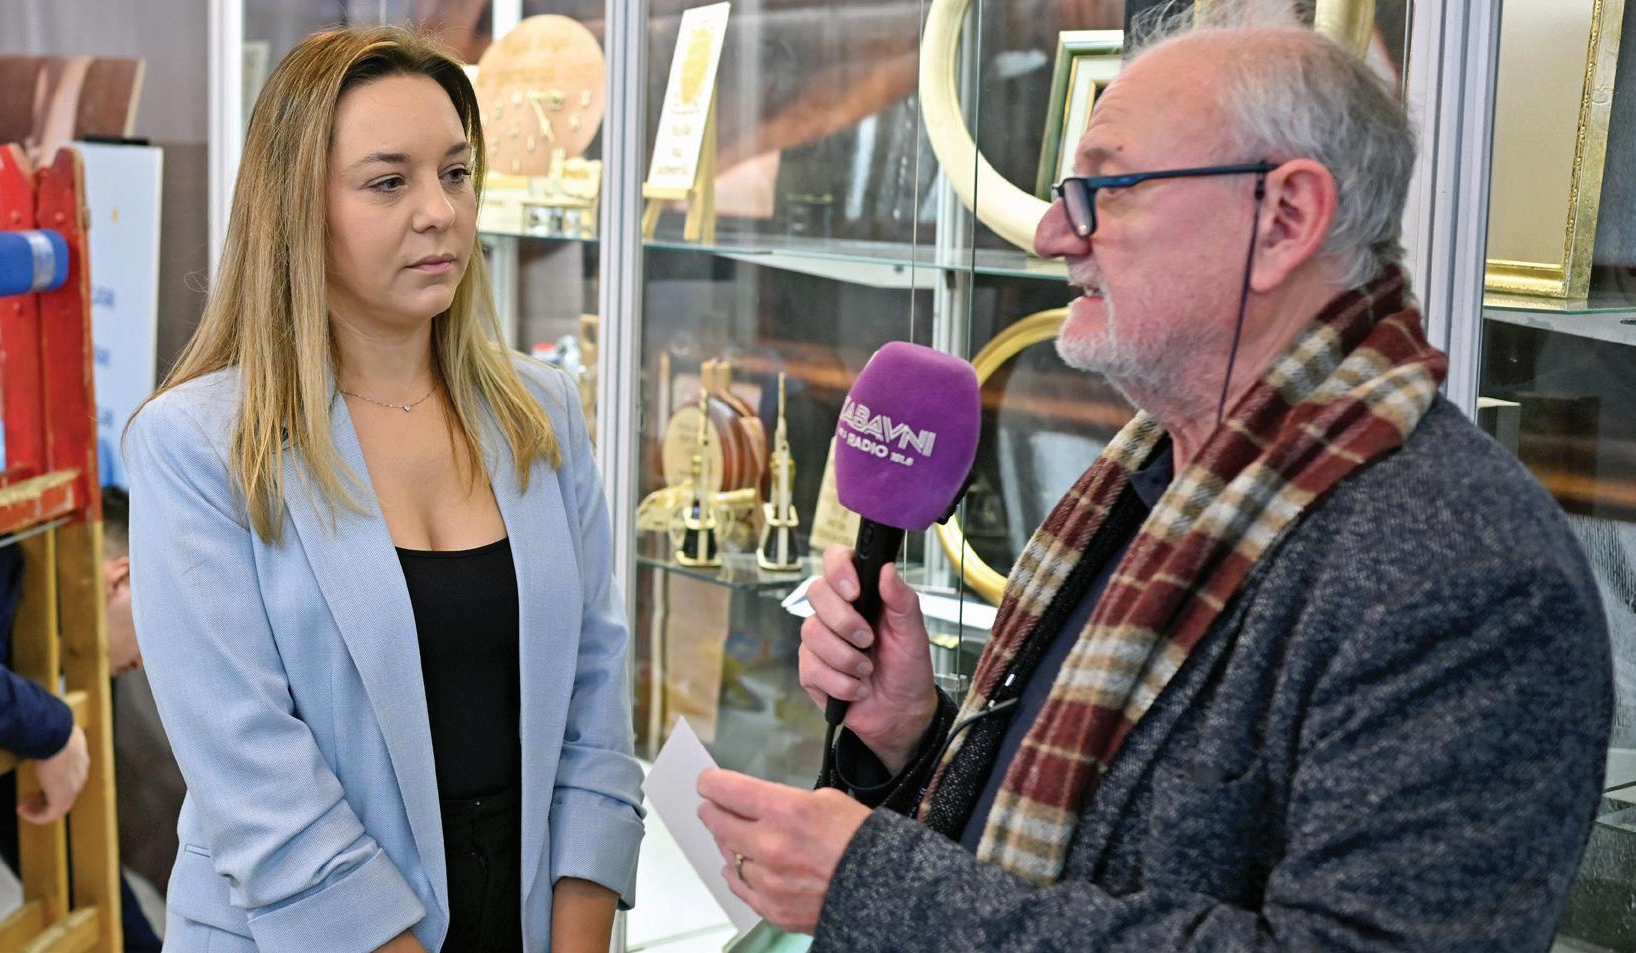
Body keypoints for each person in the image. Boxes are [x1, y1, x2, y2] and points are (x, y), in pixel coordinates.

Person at [696, 8, 1615, 952]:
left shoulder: (1466, 575)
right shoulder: (1148, 481)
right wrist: (912, 737)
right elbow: (1060, 853)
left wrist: (877, 882)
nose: (1053, 233)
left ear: (1284, 218)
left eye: (1108, 188)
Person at [124, 26, 642, 953]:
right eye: (388, 181)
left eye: (455, 172)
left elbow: (594, 706)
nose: (439, 211)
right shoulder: (198, 447)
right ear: (297, 209)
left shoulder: (542, 413)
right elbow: (260, 789)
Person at [0, 490, 159, 950]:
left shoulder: (25, 644)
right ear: (121, 580)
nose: (150, 663)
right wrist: (52, 726)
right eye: (164, 628)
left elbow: (65, 851)